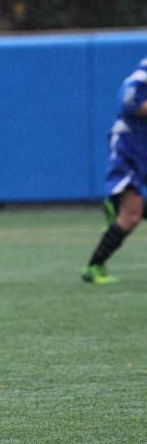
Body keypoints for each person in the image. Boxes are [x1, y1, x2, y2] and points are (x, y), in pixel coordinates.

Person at [83, 56, 147, 284]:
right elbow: (129, 102)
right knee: (130, 216)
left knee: (134, 213)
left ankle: (116, 204)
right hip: (130, 147)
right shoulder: (142, 75)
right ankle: (93, 267)